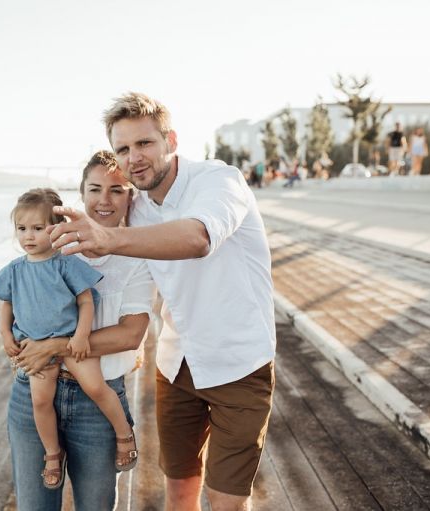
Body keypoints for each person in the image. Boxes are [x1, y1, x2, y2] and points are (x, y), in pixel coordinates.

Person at [48, 92, 276, 511]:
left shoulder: (219, 181)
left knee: (226, 502)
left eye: (144, 143)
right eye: (123, 148)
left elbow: (197, 237)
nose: (134, 157)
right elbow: (103, 207)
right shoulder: (137, 204)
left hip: (238, 363)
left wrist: (109, 238)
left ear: (170, 139)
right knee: (179, 494)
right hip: (176, 365)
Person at [9, 154, 154, 510]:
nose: (104, 200)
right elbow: (20, 294)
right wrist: (13, 339)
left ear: (130, 196)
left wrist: (54, 346)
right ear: (82, 193)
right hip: (35, 391)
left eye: (116, 190)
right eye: (95, 189)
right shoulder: (50, 241)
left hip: (97, 401)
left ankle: (125, 434)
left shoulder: (139, 256)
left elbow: (130, 335)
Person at [0, 187, 140, 491]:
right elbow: (8, 305)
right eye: (22, 229)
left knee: (96, 387)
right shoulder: (15, 270)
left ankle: (124, 433)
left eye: (38, 229)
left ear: (55, 229)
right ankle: (53, 455)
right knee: (40, 401)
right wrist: (5, 334)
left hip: (71, 342)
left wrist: (82, 335)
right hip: (34, 348)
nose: (29, 236)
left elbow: (86, 302)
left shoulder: (66, 263)